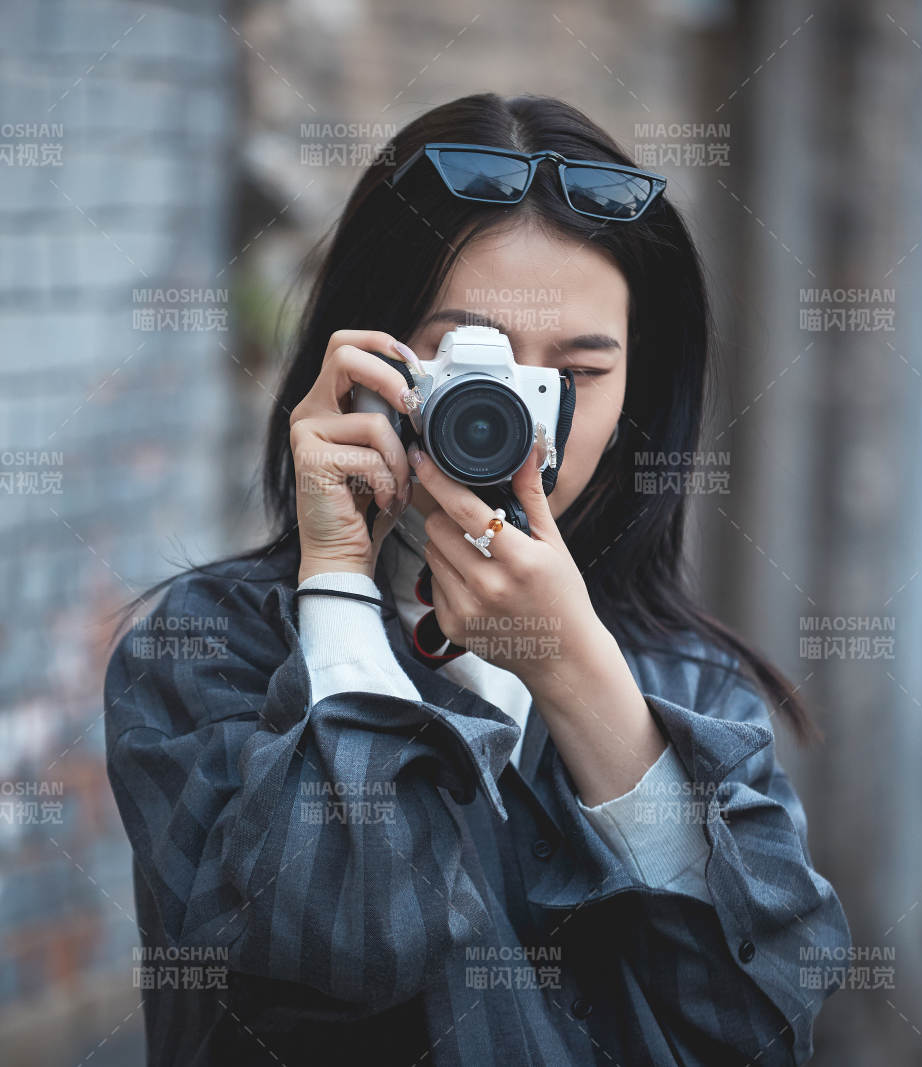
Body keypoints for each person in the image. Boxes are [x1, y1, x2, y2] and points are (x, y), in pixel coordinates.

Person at [104, 91, 851, 1066]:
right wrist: (338, 589)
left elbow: (761, 1030)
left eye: (576, 374)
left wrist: (579, 675)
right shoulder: (204, 655)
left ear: (638, 389)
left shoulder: (693, 685)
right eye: (477, 362)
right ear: (368, 357)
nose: (521, 421)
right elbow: (344, 944)